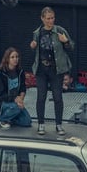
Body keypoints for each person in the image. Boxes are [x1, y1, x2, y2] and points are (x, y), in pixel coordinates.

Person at [30, 7, 75, 136]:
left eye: (53, 18)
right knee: (41, 97)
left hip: (56, 69)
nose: (51, 21)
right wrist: (32, 46)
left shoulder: (60, 30)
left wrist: (65, 41)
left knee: (57, 97)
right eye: (48, 18)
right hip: (42, 69)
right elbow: (35, 49)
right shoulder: (37, 32)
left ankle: (59, 124)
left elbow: (71, 46)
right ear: (42, 18)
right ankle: (41, 124)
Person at [0, 47, 32, 129]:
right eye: (12, 57)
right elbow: (1, 93)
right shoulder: (0, 73)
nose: (15, 59)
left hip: (15, 101)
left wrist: (21, 98)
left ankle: (9, 118)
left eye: (17, 57)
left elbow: (23, 88)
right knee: (16, 108)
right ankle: (2, 119)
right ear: (7, 59)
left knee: (27, 121)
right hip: (1, 101)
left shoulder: (20, 71)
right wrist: (16, 100)